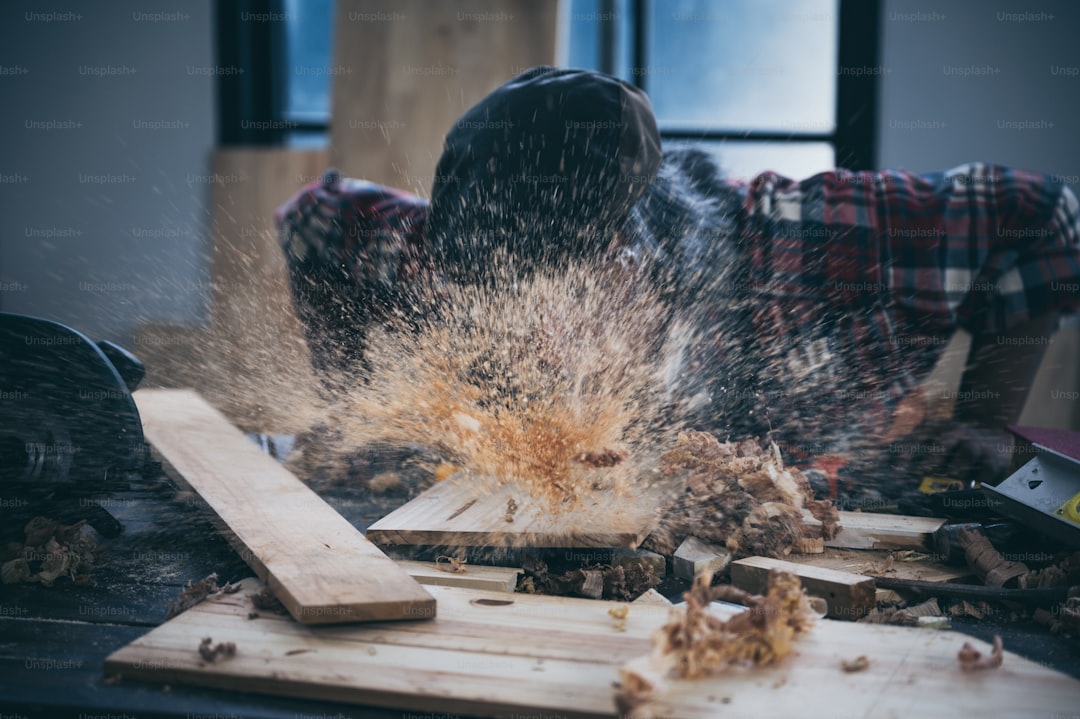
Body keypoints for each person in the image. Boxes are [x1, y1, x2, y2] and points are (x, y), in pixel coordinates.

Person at [276, 66, 1080, 506]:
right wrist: (355, 404)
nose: (517, 344)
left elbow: (1041, 213)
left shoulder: (799, 237)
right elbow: (316, 220)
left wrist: (983, 421)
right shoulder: (450, 255)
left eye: (544, 306)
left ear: (625, 256)